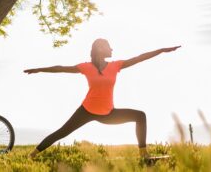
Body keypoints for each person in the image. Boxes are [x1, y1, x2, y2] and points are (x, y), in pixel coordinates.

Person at [24, 38, 181, 159]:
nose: (112, 49)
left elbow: (140, 58)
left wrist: (161, 50)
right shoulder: (86, 67)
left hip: (108, 114)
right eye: (108, 46)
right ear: (100, 48)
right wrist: (39, 69)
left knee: (140, 116)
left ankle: (143, 153)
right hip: (86, 111)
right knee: (62, 132)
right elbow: (60, 68)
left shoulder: (116, 66)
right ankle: (32, 154)